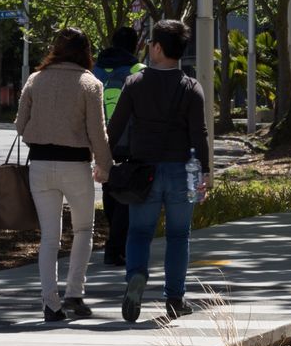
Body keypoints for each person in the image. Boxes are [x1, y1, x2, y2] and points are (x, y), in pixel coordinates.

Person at [107, 18, 211, 322]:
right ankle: (175, 299)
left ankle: (136, 277)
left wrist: (102, 160)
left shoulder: (135, 84)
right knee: (179, 235)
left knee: (139, 232)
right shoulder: (192, 88)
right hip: (181, 171)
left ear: (156, 48)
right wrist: (203, 172)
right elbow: (199, 134)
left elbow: (115, 128)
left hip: (143, 172)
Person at [15, 27, 111, 322]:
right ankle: (74, 292)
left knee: (49, 238)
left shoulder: (36, 80)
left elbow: (20, 125)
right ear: (85, 51)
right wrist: (104, 165)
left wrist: (37, 133)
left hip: (41, 164)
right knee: (83, 230)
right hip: (75, 164)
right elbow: (98, 132)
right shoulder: (89, 83)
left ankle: (50, 302)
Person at [92, 26, 142, 267]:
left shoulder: (95, 71)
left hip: (101, 141)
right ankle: (115, 248)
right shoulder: (138, 71)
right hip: (130, 142)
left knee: (110, 191)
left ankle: (114, 242)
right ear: (136, 45)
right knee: (127, 194)